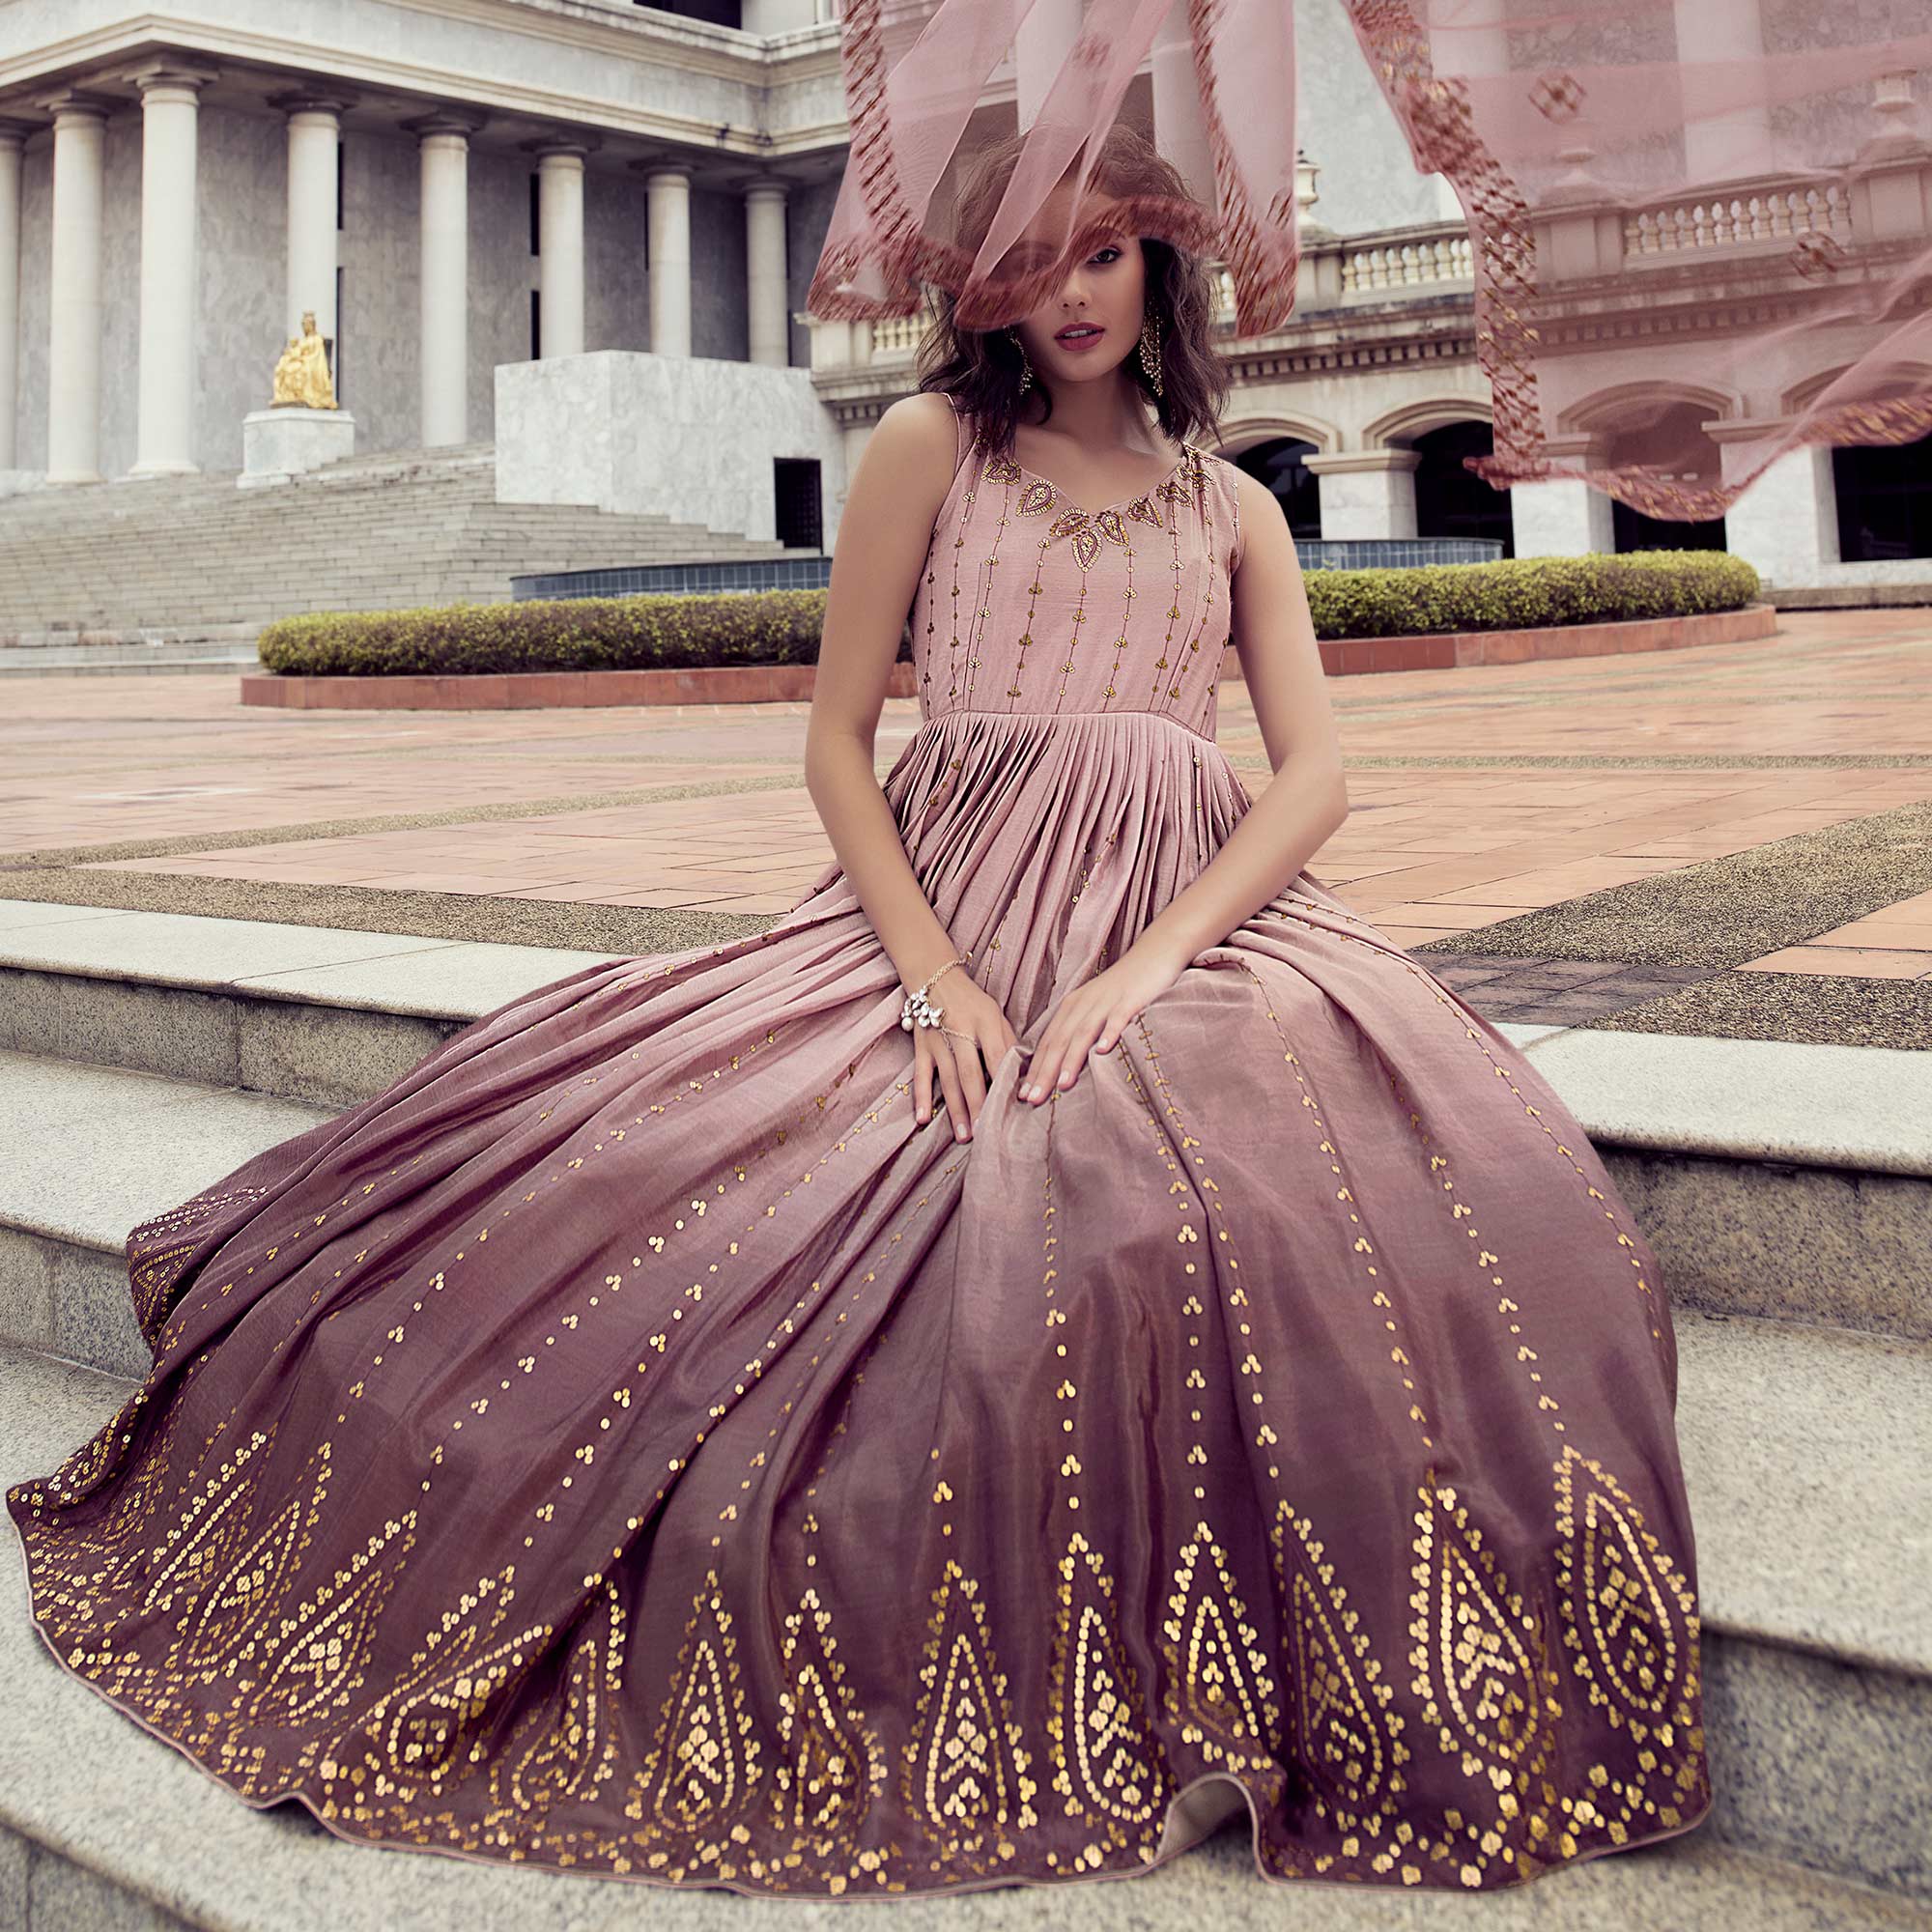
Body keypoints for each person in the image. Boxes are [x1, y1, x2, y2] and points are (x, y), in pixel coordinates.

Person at [7, 122, 1709, 1900]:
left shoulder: (1235, 501)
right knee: (755, 1165)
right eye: (1038, 257)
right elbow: (837, 743)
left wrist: (1150, 962)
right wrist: (938, 978)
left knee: (1423, 1162)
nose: (1073, 290)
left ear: (1159, 271)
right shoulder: (927, 450)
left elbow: (1312, 782)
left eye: (1109, 254)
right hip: (944, 897)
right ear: (984, 279)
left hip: (1190, 908)